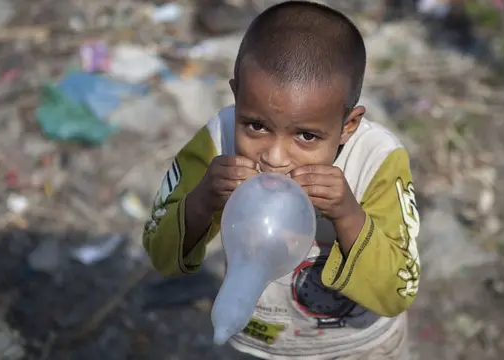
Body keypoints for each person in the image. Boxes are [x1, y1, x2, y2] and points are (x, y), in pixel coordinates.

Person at [143, 1, 421, 359]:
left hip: (358, 347)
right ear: (236, 95)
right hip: (258, 343)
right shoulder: (219, 142)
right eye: (256, 126)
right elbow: (159, 252)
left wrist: (348, 214)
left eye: (306, 136)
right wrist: (203, 199)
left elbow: (398, 290)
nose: (274, 157)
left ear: (347, 126)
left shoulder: (376, 160)